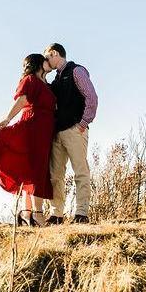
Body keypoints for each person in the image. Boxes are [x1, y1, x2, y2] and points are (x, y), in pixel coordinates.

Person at [0, 53, 56, 226]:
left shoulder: (45, 84)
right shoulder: (30, 80)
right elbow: (22, 100)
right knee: (37, 169)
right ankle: (37, 214)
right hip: (33, 128)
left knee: (33, 170)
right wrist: (8, 118)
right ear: (38, 63)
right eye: (45, 60)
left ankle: (25, 213)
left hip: (44, 130)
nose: (48, 62)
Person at [43, 43, 98, 224]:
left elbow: (91, 97)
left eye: (47, 57)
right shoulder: (56, 80)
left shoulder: (77, 71)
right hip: (57, 133)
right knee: (55, 175)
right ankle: (56, 214)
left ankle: (81, 214)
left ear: (55, 53)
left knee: (80, 172)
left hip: (75, 130)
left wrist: (83, 122)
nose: (47, 61)